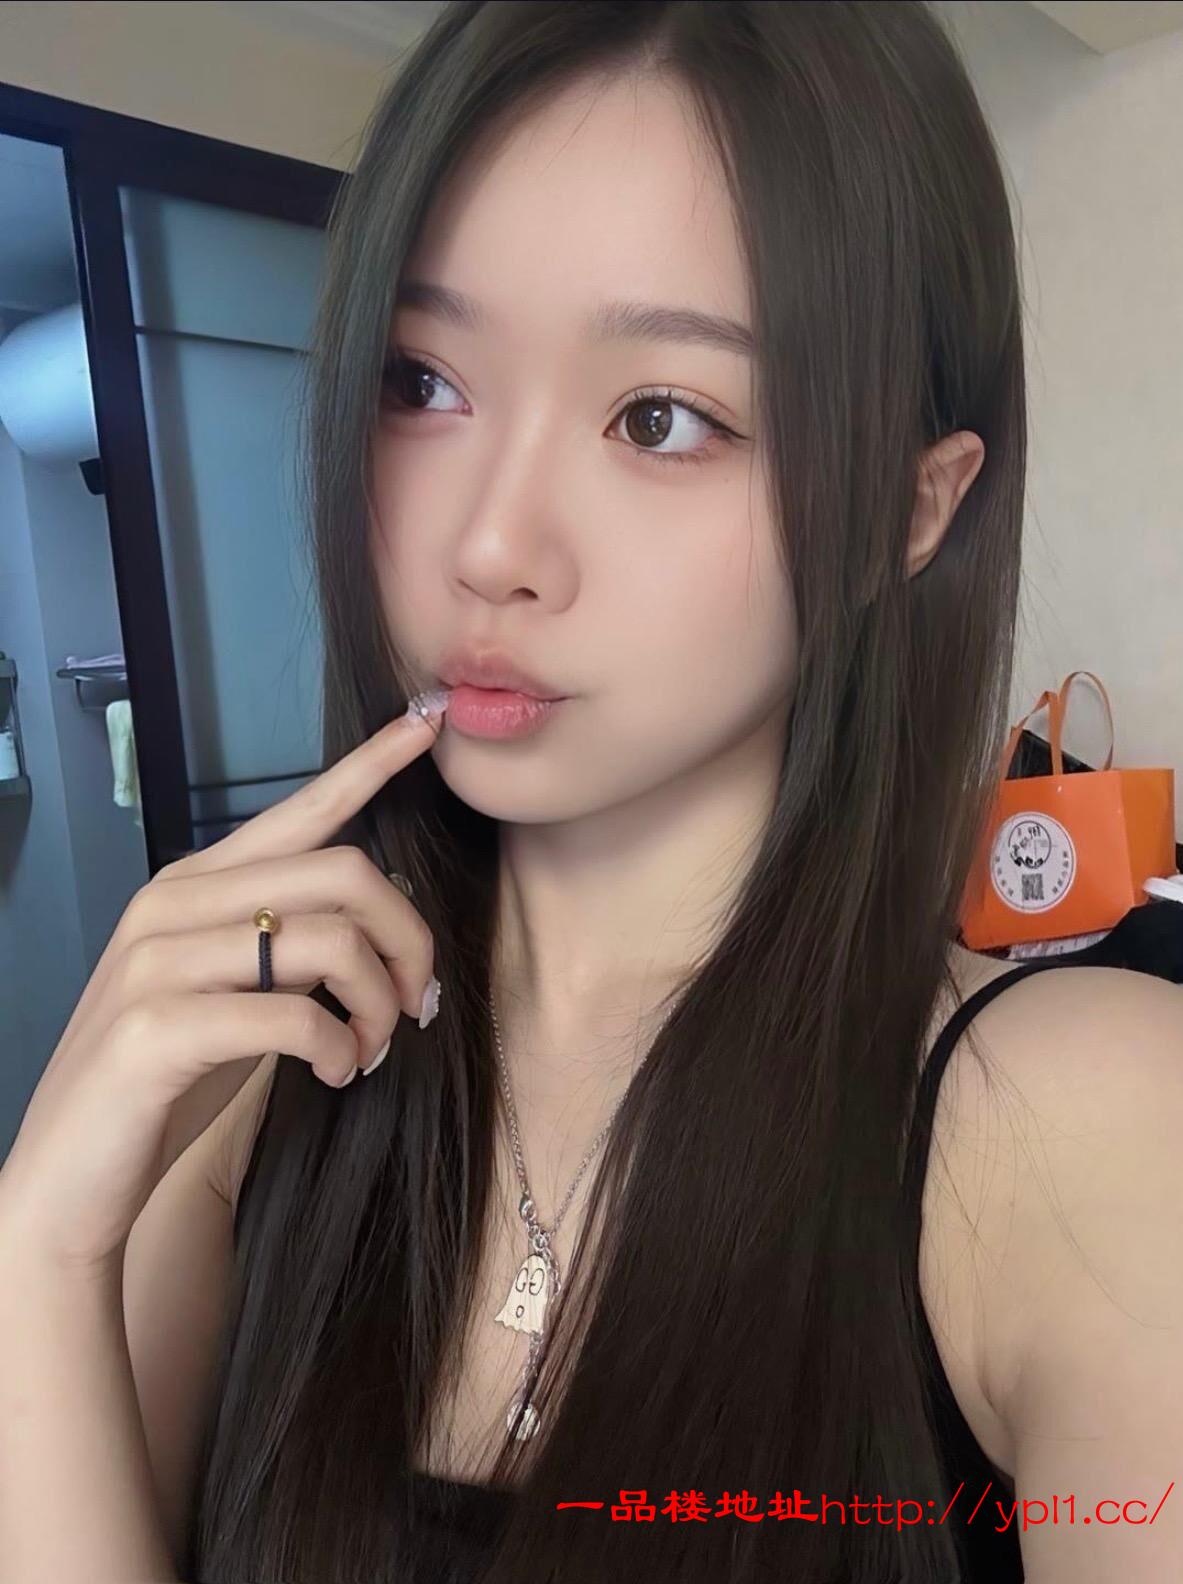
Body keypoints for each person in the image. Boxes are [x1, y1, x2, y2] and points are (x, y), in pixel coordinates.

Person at [1, 4, 1180, 1582]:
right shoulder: (261, 1073)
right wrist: (39, 1246)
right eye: (422, 381)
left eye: (660, 419)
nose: (489, 545)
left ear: (913, 510)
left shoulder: (1079, 1128)